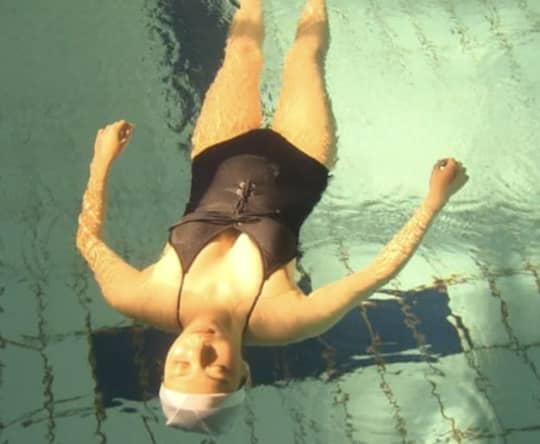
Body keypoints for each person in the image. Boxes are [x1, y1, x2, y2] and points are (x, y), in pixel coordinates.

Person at [76, 0, 468, 435]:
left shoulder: (140, 297)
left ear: (164, 364)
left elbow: (88, 241)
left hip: (217, 150)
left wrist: (101, 162)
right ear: (244, 374)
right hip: (302, 157)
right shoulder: (284, 320)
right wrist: (434, 201)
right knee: (305, 57)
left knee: (241, 52)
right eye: (217, 368)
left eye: (181, 364)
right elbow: (378, 272)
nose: (200, 349)